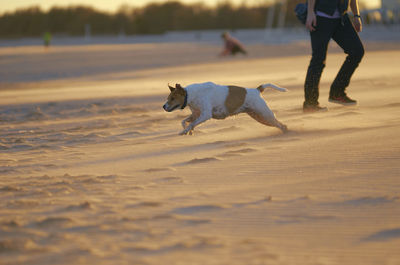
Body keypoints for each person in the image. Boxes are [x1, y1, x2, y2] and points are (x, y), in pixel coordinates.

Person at [303, 0, 364, 112]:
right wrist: (310, 13)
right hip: (320, 17)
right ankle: (310, 103)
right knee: (318, 59)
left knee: (357, 51)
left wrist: (356, 15)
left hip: (341, 17)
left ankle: (337, 92)